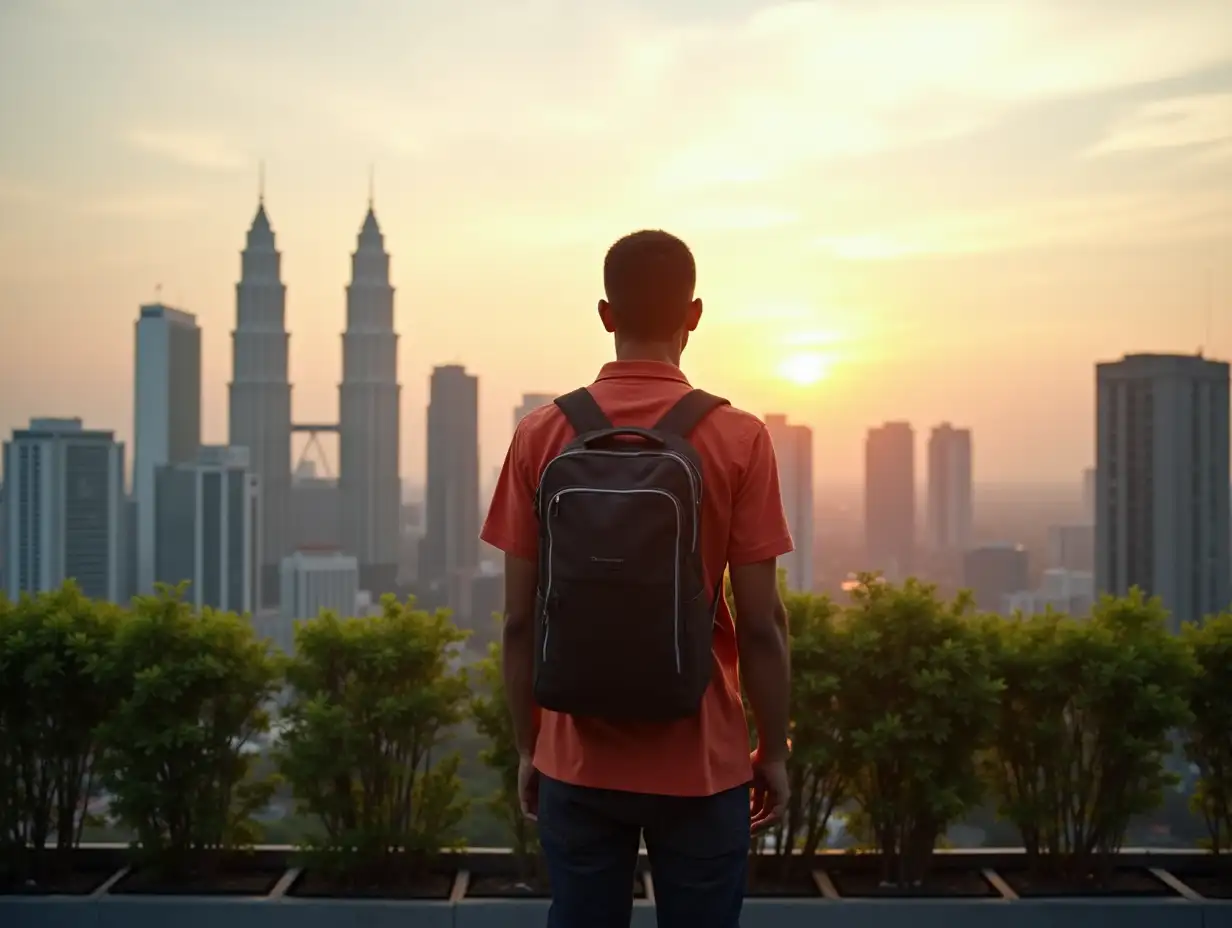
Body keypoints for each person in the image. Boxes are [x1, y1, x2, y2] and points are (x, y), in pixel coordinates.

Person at [481, 229, 793, 928]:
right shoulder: (739, 438)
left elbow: (518, 620)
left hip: (576, 759)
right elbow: (763, 623)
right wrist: (771, 749)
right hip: (704, 762)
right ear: (694, 314)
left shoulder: (541, 433)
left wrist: (530, 746)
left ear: (605, 313)